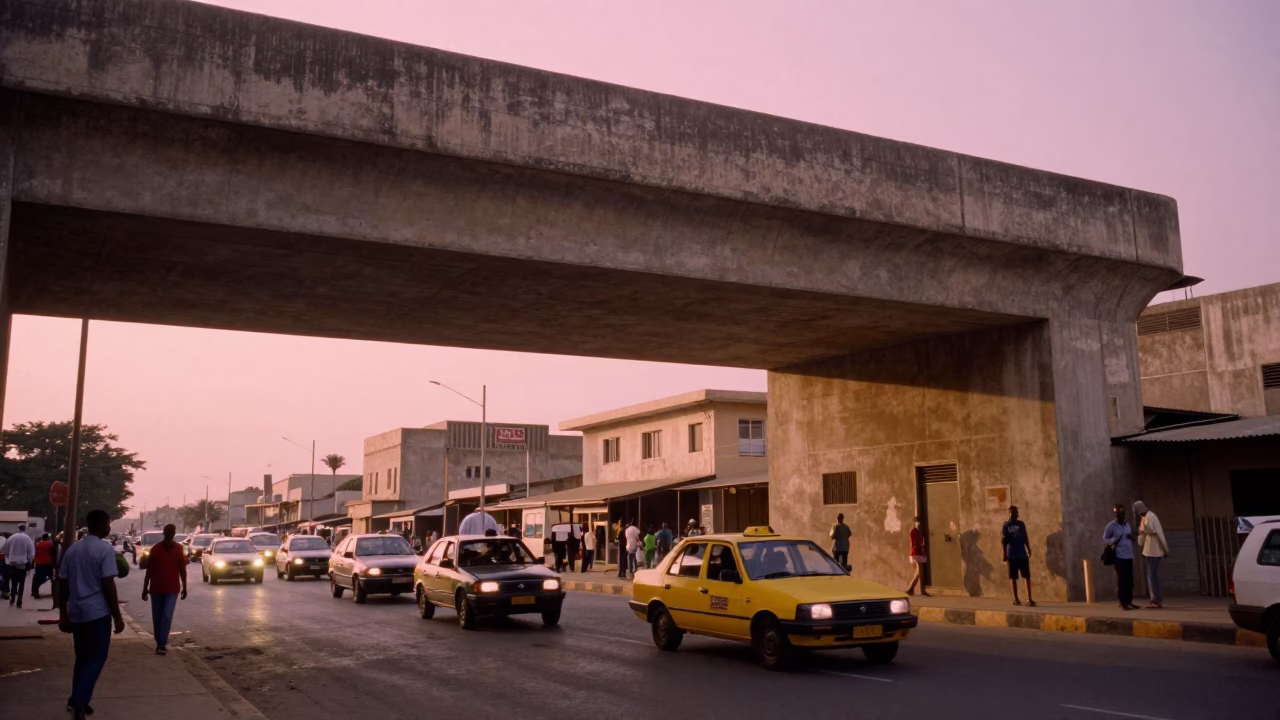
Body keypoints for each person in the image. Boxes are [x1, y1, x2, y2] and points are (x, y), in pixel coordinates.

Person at [58, 509, 126, 720]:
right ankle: (79, 699)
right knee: (97, 657)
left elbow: (62, 583)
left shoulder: (73, 550)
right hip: (97, 612)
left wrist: (63, 613)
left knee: (83, 657)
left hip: (77, 611)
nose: (109, 528)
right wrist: (117, 616)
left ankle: (77, 699)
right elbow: (108, 583)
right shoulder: (104, 549)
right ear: (99, 525)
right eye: (107, 524)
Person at [141, 524, 188, 655]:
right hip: (156, 589)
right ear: (164, 533)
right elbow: (149, 571)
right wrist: (145, 588)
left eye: (172, 532)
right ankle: (159, 640)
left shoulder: (179, 549)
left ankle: (162, 644)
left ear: (174, 534)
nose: (169, 534)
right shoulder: (155, 549)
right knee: (157, 617)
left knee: (166, 615)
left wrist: (185, 586)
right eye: (168, 532)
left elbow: (182, 570)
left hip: (172, 589)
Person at [1133, 500, 1168, 609]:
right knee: (1151, 575)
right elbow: (1142, 536)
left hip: (1154, 551)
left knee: (1152, 575)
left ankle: (1156, 600)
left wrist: (1140, 530)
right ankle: (1155, 598)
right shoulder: (1145, 517)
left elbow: (1149, 530)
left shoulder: (1150, 517)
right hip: (1149, 551)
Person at [1104, 504, 1138, 610]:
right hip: (1119, 557)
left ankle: (1129, 601)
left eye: (1122, 513)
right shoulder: (1111, 525)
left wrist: (1131, 537)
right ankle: (1122, 602)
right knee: (1122, 580)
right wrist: (1115, 539)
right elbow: (1105, 539)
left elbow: (1130, 536)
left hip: (1129, 556)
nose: (1120, 516)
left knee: (1130, 580)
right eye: (1118, 514)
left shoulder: (1127, 525)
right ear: (1115, 514)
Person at [1001, 506, 1035, 607]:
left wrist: (1028, 548)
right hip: (1012, 554)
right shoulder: (1006, 525)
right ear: (1010, 514)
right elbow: (1003, 541)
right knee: (1013, 577)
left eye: (1016, 513)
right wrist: (1004, 554)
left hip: (1022, 554)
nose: (1015, 515)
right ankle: (1016, 599)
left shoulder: (1021, 524)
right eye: (1013, 513)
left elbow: (1025, 536)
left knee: (1026, 576)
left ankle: (1029, 598)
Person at [5, 525, 36, 607]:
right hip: (22, 564)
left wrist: (9, 558)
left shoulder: (11, 537)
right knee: (21, 582)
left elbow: (5, 549)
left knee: (13, 582)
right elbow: (31, 553)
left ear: (18, 529)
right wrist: (29, 562)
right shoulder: (28, 539)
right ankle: (19, 600)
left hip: (12, 563)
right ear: (24, 529)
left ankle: (12, 599)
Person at [906, 516, 931, 597]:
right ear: (914, 522)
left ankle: (917, 590)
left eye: (919, 521)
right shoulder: (912, 531)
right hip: (915, 552)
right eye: (917, 521)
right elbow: (913, 543)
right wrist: (918, 545)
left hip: (920, 552)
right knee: (919, 572)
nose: (918, 523)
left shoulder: (920, 532)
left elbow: (922, 541)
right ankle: (910, 588)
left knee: (919, 573)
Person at [32, 532, 57, 599]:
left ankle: (35, 592)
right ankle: (54, 592)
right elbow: (52, 552)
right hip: (48, 563)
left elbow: (35, 554)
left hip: (39, 563)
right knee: (52, 578)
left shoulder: (38, 544)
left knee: (37, 578)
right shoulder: (50, 544)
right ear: (47, 538)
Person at [0, 531, 9, 600]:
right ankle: (5, 592)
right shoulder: (6, 540)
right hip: (3, 560)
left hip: (3, 559)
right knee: (5, 576)